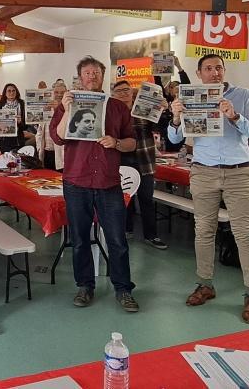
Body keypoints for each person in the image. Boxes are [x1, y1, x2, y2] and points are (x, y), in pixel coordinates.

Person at [167, 54, 249, 323]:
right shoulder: (189, 96)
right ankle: (205, 284)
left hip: (239, 173)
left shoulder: (242, 94)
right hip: (203, 171)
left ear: (224, 71)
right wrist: (176, 118)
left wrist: (234, 116)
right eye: (208, 69)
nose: (214, 73)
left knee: (244, 234)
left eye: (218, 68)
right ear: (199, 74)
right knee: (204, 231)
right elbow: (174, 138)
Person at [50, 57, 140, 313]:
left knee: (117, 239)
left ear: (103, 76)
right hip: (76, 181)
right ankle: (85, 286)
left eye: (96, 72)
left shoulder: (117, 108)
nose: (92, 76)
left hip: (109, 182)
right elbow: (57, 138)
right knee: (79, 239)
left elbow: (131, 141)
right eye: (87, 73)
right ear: (79, 77)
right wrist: (67, 109)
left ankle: (123, 289)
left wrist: (117, 142)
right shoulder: (66, 105)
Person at [111, 80, 168, 249]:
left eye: (126, 90)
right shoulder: (112, 113)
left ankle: (151, 235)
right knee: (124, 198)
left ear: (132, 92)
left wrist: (162, 110)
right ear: (114, 95)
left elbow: (160, 128)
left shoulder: (143, 109)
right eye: (119, 91)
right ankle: (126, 229)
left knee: (146, 199)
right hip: (120, 160)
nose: (123, 93)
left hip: (144, 160)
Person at [41, 79, 68, 170]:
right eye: (56, 92)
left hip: (61, 152)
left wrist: (58, 109)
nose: (59, 94)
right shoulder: (47, 108)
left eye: (62, 92)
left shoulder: (69, 108)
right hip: (47, 150)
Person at [0, 83, 31, 153]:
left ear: (16, 92)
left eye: (13, 90)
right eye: (9, 91)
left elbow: (25, 127)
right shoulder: (0, 104)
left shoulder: (22, 104)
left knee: (19, 161)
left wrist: (20, 122)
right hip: (4, 140)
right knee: (6, 162)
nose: (11, 93)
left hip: (18, 140)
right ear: (5, 93)